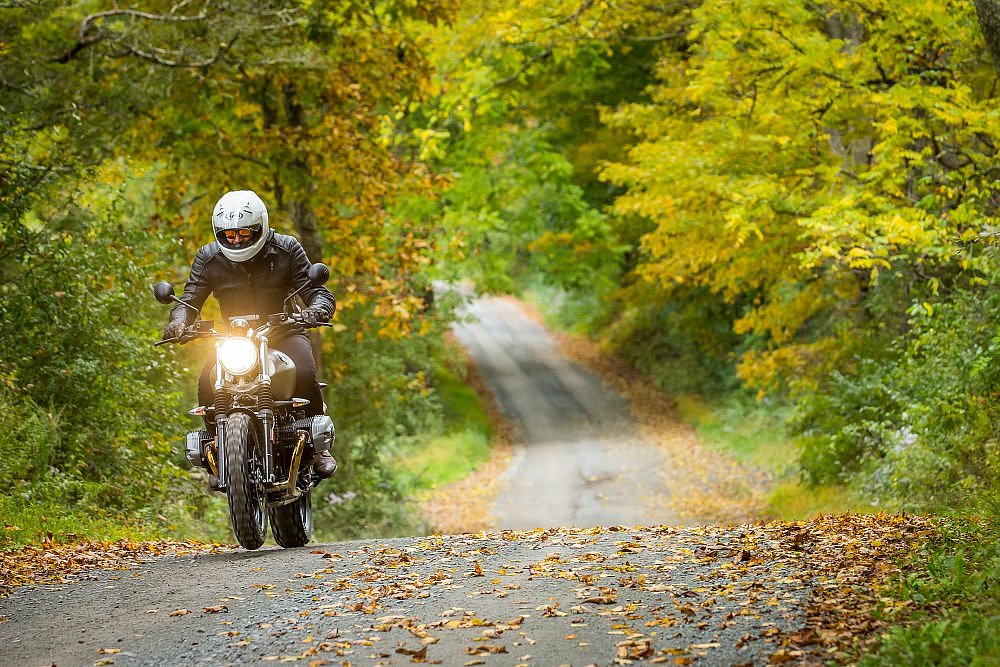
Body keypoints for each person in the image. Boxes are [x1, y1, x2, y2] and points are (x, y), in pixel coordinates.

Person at [161, 190, 338, 478]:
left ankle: (319, 450)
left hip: (283, 332)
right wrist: (178, 322)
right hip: (235, 340)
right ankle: (219, 448)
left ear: (260, 227)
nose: (237, 240)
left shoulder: (286, 249)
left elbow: (317, 292)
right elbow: (188, 300)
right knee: (208, 380)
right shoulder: (209, 258)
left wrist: (316, 310)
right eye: (229, 235)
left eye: (244, 232)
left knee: (304, 371)